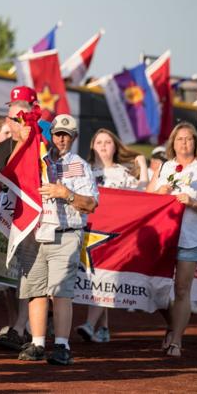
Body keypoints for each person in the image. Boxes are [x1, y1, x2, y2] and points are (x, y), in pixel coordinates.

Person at [17, 114, 98, 366]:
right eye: (57, 134)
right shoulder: (35, 160)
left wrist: (66, 193)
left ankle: (62, 345)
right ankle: (38, 343)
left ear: (73, 138)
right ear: (50, 135)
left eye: (66, 134)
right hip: (35, 232)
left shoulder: (80, 165)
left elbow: (91, 204)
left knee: (61, 293)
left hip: (65, 233)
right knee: (36, 291)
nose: (61, 139)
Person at [147, 122, 197, 357]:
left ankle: (176, 339)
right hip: (163, 238)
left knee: (181, 290)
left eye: (188, 139)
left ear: (195, 143)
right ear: (172, 143)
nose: (184, 143)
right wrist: (159, 194)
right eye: (179, 139)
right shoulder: (165, 167)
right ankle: (172, 326)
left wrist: (193, 202)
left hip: (190, 238)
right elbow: (146, 199)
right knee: (154, 288)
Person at [75, 128, 148, 343]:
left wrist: (143, 166)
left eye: (108, 142)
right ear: (92, 147)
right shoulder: (84, 170)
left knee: (103, 278)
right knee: (94, 280)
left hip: (114, 236)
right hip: (87, 233)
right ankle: (103, 328)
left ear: (115, 146)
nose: (104, 146)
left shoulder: (122, 173)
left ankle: (89, 325)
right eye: (99, 142)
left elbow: (142, 196)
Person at [0, 91, 36, 351]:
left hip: (32, 222)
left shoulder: (40, 144)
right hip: (7, 219)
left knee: (29, 276)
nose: (11, 124)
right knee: (8, 278)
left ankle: (22, 327)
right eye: (9, 118)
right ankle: (17, 324)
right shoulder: (2, 149)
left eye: (17, 118)